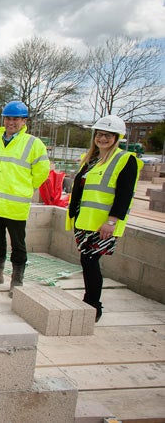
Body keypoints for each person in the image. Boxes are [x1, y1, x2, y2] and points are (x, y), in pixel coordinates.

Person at [66, 115, 142, 322]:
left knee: (90, 261)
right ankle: (89, 301)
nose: (103, 138)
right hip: (85, 221)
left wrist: (112, 221)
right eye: (100, 134)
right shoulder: (91, 160)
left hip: (104, 224)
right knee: (86, 261)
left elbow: (124, 194)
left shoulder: (126, 160)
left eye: (108, 135)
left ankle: (93, 305)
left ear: (117, 138)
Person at [0, 101, 50, 297]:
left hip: (15, 204)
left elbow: (42, 173)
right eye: (7, 118)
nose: (10, 122)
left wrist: (25, 188)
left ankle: (17, 281)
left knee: (18, 244)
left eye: (15, 119)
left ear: (24, 121)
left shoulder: (33, 144)